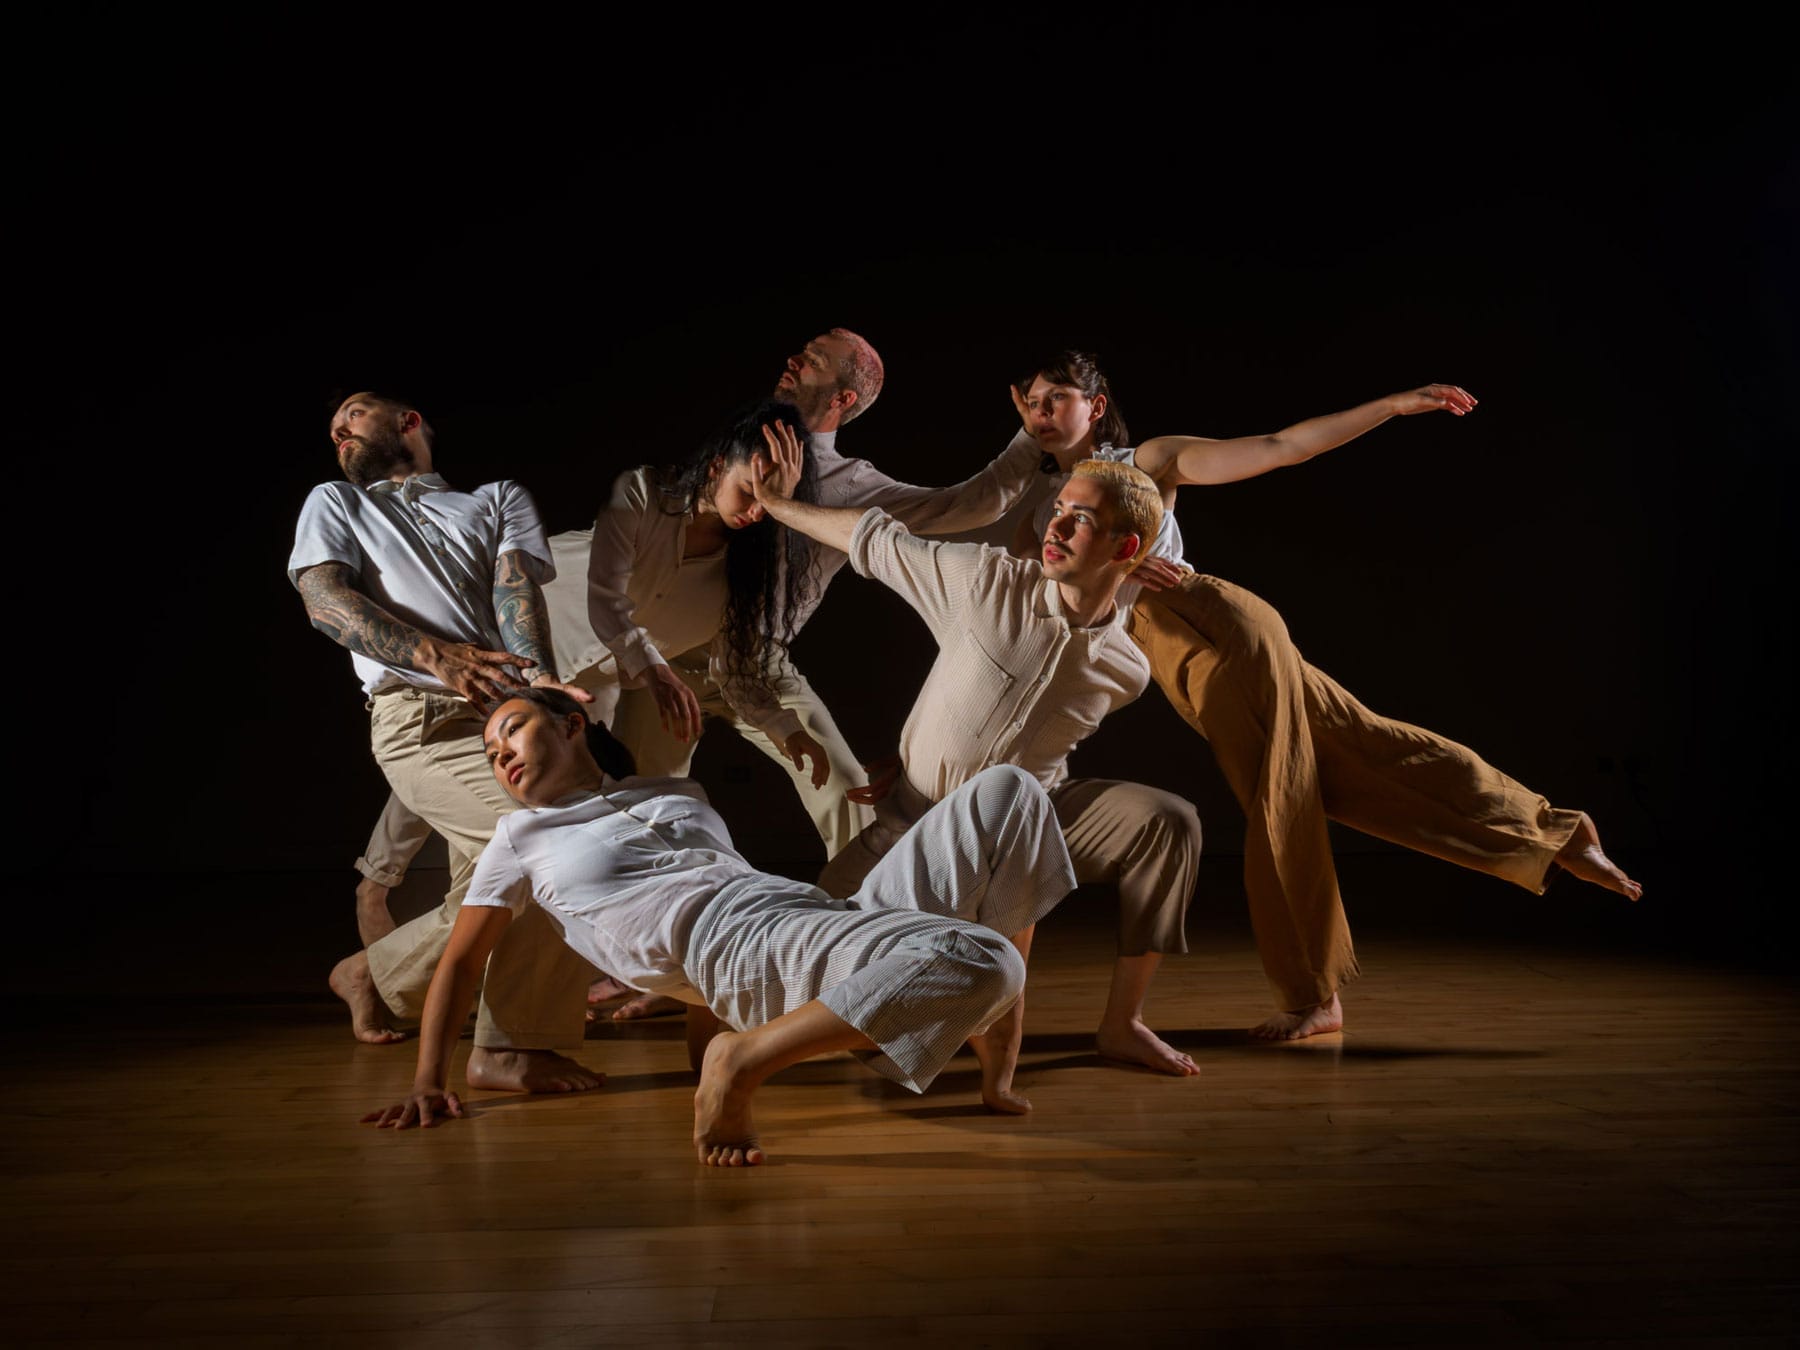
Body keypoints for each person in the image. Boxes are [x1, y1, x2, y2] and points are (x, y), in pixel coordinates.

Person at [347, 330, 1046, 962]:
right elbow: (620, 575)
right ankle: (398, 892)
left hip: (738, 654)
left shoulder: (849, 486)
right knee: (562, 778)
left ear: (844, 396)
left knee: (831, 790)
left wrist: (1035, 437)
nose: (793, 358)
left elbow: (970, 504)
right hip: (632, 643)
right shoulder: (720, 451)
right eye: (800, 349)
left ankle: (870, 944)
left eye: (815, 359)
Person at [1007, 351, 1642, 1041]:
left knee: (1280, 794)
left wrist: (1391, 405)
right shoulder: (1037, 511)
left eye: (1057, 398)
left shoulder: (1145, 463)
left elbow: (1280, 446)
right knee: (1362, 750)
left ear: (1095, 407)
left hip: (1210, 624)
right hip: (1169, 654)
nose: (1043, 414)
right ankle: (1555, 832)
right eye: (1032, 402)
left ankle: (1313, 993)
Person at [361, 687, 1077, 1166]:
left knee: (1009, 789)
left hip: (812, 916)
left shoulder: (673, 792)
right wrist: (427, 1080)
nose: (501, 757)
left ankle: (997, 1036)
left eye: (511, 730)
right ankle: (744, 1062)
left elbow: (725, 901)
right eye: (492, 755)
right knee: (987, 960)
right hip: (739, 947)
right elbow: (461, 963)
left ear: (571, 724)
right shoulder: (518, 840)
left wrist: (698, 1026)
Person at [754, 423, 1206, 1092]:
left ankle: (1123, 1023)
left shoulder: (1125, 671)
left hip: (1030, 823)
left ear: (1127, 549)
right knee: (812, 978)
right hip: (914, 824)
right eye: (1058, 510)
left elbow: (1037, 738)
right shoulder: (985, 581)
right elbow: (871, 536)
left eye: (1080, 520)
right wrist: (775, 503)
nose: (1055, 527)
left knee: (1169, 822)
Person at [292, 391, 604, 1095]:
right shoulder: (337, 503)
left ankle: (372, 974)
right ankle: (510, 1050)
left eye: (355, 413)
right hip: (419, 718)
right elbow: (325, 601)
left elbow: (516, 596)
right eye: (334, 426)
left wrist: (540, 686)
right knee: (550, 845)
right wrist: (439, 657)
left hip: (504, 714)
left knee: (495, 879)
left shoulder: (495, 499)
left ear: (408, 422)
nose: (339, 429)